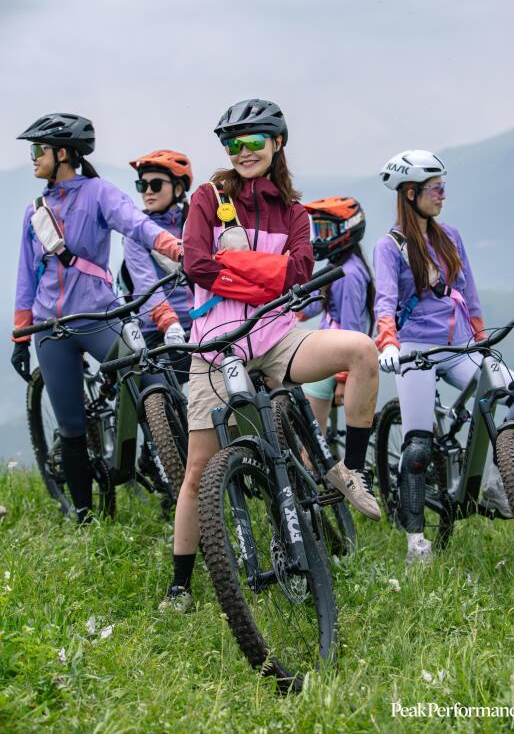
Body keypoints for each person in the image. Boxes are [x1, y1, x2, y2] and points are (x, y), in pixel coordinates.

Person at [161, 98, 380, 611]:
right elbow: (196, 264)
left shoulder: (294, 212)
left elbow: (301, 272)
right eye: (232, 143)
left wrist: (236, 266)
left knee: (362, 350)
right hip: (217, 344)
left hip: (277, 335)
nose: (242, 152)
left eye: (253, 141)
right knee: (198, 470)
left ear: (276, 143)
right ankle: (179, 586)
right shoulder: (206, 199)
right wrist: (267, 274)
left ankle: (350, 468)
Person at [11, 113, 183, 523]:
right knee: (71, 428)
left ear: (64, 154)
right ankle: (86, 517)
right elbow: (24, 276)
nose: (34, 157)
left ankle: (170, 482)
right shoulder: (35, 212)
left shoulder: (99, 193)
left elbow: (136, 225)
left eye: (39, 150)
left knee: (152, 384)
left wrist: (177, 249)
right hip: (49, 331)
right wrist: (21, 337)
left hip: (98, 317)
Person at [374, 149, 514, 564]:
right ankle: (416, 544)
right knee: (418, 447)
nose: (442, 194)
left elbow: (469, 297)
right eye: (435, 188)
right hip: (415, 350)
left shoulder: (450, 237)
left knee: (509, 389)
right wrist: (388, 342)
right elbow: (384, 302)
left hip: (458, 347)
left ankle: (495, 482)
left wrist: (481, 340)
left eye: (442, 186)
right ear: (410, 192)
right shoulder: (390, 247)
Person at [299, 196, 375, 434]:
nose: (319, 238)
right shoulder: (342, 265)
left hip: (334, 360)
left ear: (346, 231)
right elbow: (317, 304)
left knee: (312, 438)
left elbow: (351, 331)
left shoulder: (348, 275)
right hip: (329, 352)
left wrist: (344, 379)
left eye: (326, 231)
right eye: (318, 230)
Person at [121, 150, 194, 385]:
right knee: (157, 398)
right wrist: (169, 323)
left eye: (155, 184)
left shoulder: (195, 223)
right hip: (156, 329)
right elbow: (146, 284)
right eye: (142, 185)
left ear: (178, 188)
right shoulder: (136, 232)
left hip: (199, 323)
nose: (148, 191)